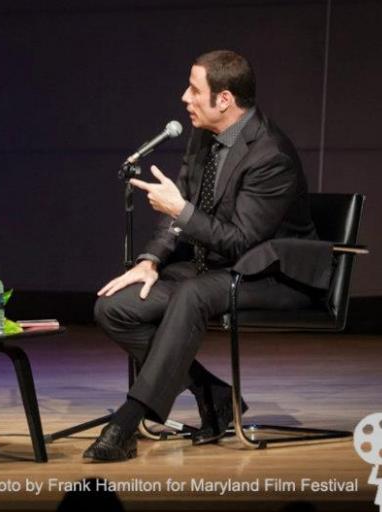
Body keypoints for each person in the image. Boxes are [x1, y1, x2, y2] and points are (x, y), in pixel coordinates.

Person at [87, 50, 320, 461]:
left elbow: (240, 241)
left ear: (225, 99)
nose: (185, 98)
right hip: (213, 268)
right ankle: (212, 394)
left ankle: (126, 422)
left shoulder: (271, 156)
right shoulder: (203, 137)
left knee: (192, 294)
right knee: (114, 307)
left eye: (195, 90)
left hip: (271, 275)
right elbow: (184, 208)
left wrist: (180, 210)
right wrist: (151, 261)